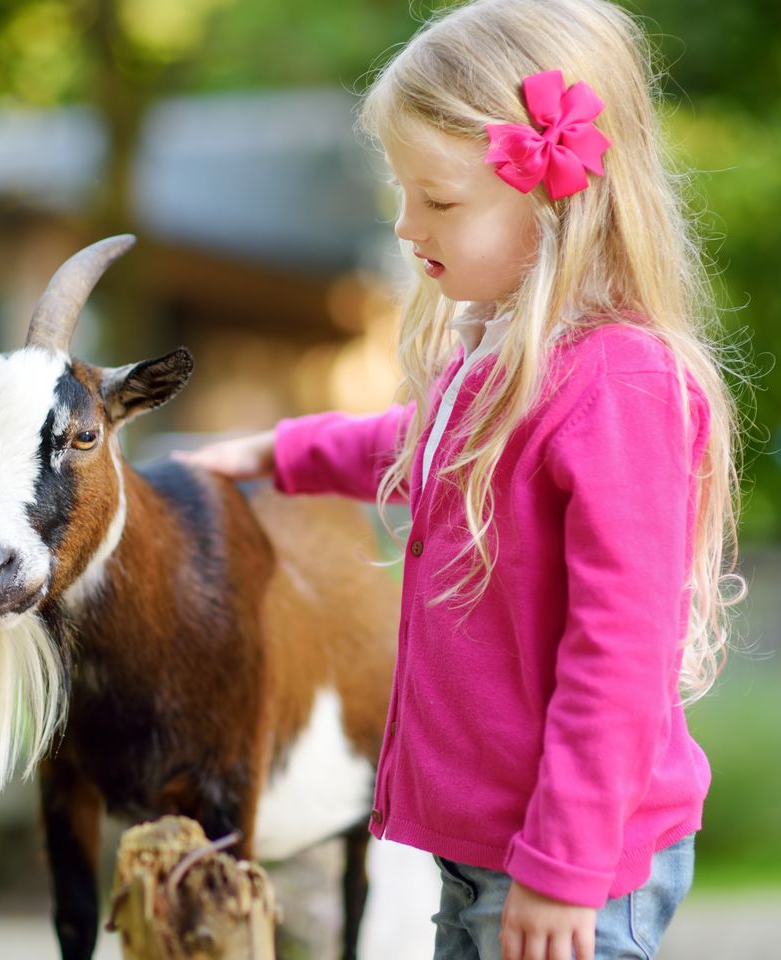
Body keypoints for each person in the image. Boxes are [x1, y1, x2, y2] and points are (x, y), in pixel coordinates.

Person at [174, 1, 744, 958]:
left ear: (558, 196)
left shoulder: (618, 384)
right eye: (402, 193)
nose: (405, 225)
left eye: (438, 201)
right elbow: (420, 447)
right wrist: (283, 454)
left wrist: (564, 869)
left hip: (569, 866)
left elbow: (620, 653)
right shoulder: (504, 370)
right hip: (488, 851)